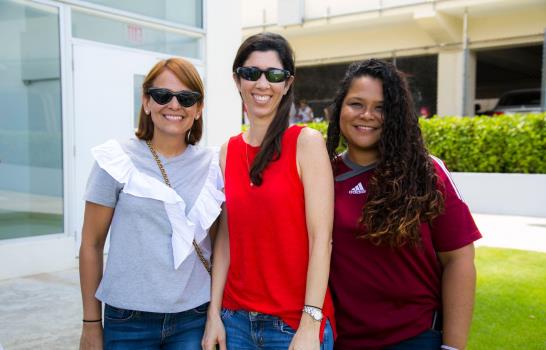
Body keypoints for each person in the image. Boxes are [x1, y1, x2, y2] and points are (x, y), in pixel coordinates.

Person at [326, 59, 481, 350]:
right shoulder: (322, 175)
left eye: (381, 107)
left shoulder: (425, 171)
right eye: (356, 104)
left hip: (416, 338)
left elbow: (459, 260)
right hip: (341, 340)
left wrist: (452, 347)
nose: (367, 115)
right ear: (339, 109)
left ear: (396, 114)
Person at [79, 58, 224, 349]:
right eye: (162, 95)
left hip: (193, 319)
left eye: (186, 98)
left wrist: (215, 315)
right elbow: (91, 245)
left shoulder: (215, 164)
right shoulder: (115, 159)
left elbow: (221, 246)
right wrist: (92, 324)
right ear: (146, 102)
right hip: (127, 321)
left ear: (198, 109)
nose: (174, 105)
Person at [202, 32, 335, 350]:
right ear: (237, 80)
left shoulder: (306, 144)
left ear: (287, 83)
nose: (262, 84)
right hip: (234, 321)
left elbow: (322, 240)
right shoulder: (227, 151)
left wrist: (310, 323)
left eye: (273, 75)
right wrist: (213, 314)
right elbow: (226, 238)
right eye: (251, 73)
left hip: (291, 325)